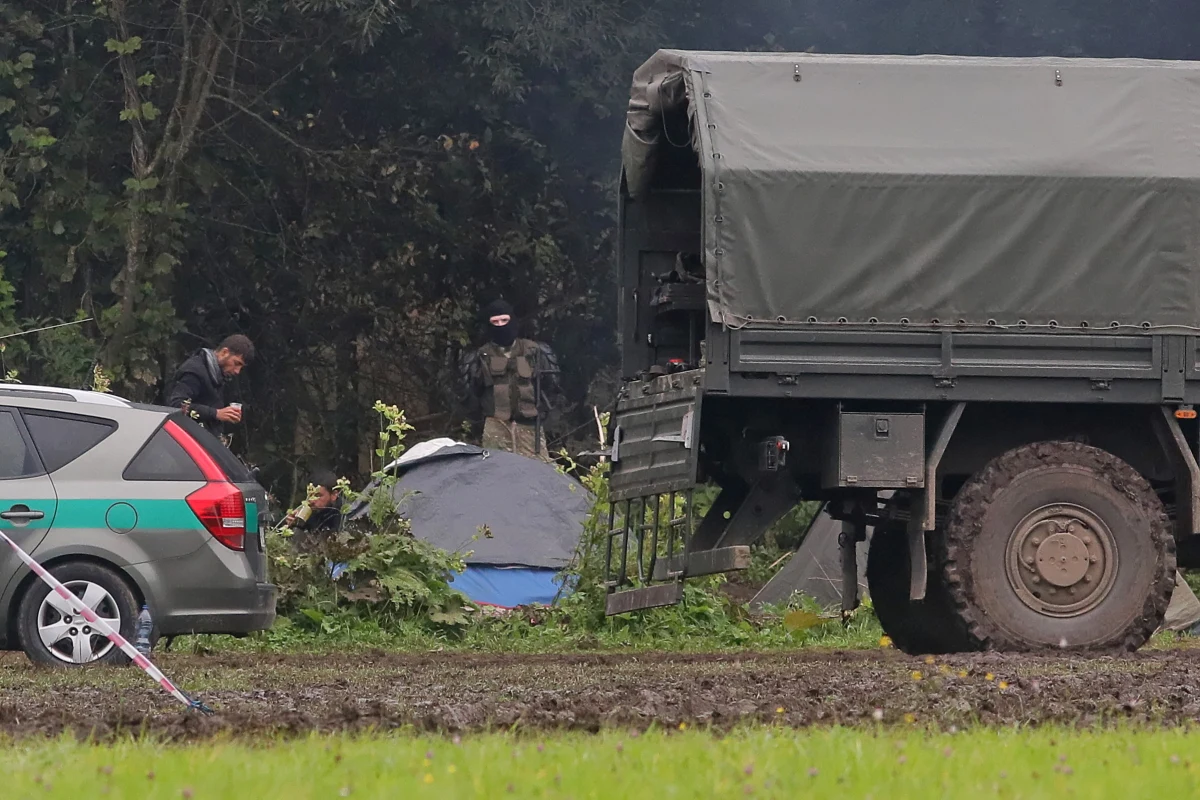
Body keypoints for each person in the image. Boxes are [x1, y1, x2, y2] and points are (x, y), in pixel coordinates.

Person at [458, 299, 559, 460]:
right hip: (495, 426)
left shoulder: (535, 351)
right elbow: (471, 396)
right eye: (495, 322)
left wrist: (539, 412)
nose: (500, 325)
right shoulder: (480, 357)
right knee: (496, 474)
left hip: (530, 427)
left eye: (504, 320)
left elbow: (550, 386)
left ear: (512, 320)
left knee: (537, 474)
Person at [165, 334, 255, 442]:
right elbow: (176, 404)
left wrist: (226, 414)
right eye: (236, 363)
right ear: (224, 352)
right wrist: (216, 413)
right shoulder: (195, 371)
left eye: (241, 367)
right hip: (186, 443)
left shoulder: (216, 374)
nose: (237, 371)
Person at [285, 468, 347, 547]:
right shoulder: (313, 511)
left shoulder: (344, 514)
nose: (312, 500)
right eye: (310, 495)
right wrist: (293, 524)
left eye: (318, 495)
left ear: (334, 495)